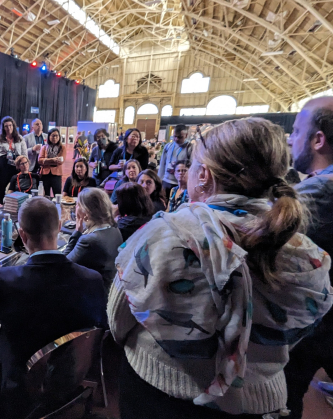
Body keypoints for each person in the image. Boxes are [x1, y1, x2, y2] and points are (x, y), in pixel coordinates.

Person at [107, 117, 332, 419]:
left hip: (162, 395)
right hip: (261, 402)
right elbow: (298, 333)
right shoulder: (309, 256)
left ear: (203, 175)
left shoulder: (162, 236)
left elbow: (118, 320)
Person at [0, 197, 107, 416]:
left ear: (22, 235)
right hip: (69, 376)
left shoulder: (5, 280)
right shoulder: (93, 280)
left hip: (18, 387)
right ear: (60, 228)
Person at [283, 97, 333, 419]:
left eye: (296, 130)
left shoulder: (319, 192)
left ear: (318, 139)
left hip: (319, 322)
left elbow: (257, 234)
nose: (290, 138)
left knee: (283, 397)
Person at [62, 188, 123, 294]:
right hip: (109, 289)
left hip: (94, 296)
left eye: (78, 205)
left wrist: (77, 232)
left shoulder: (89, 241)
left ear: (87, 212)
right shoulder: (114, 229)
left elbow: (63, 265)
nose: (76, 207)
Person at [0, 116, 27, 204]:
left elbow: (24, 153)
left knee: (14, 185)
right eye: (6, 126)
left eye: (10, 125)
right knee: (1, 186)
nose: (8, 128)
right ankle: (1, 204)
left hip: (15, 165)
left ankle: (14, 204)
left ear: (13, 126)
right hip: (2, 165)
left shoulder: (20, 138)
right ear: (3, 127)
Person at [158, 124, 192, 201]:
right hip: (166, 181)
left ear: (186, 135)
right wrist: (159, 180)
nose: (176, 139)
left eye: (180, 137)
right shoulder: (168, 146)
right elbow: (162, 164)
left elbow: (192, 167)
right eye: (174, 136)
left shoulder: (190, 148)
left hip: (180, 183)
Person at [38, 128, 66, 197]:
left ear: (59, 137)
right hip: (45, 174)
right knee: (45, 195)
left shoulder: (62, 148)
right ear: (49, 136)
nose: (55, 137)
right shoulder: (44, 147)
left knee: (57, 195)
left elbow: (60, 161)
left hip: (56, 174)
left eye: (56, 135)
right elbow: (40, 160)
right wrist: (53, 160)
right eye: (53, 136)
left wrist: (46, 161)